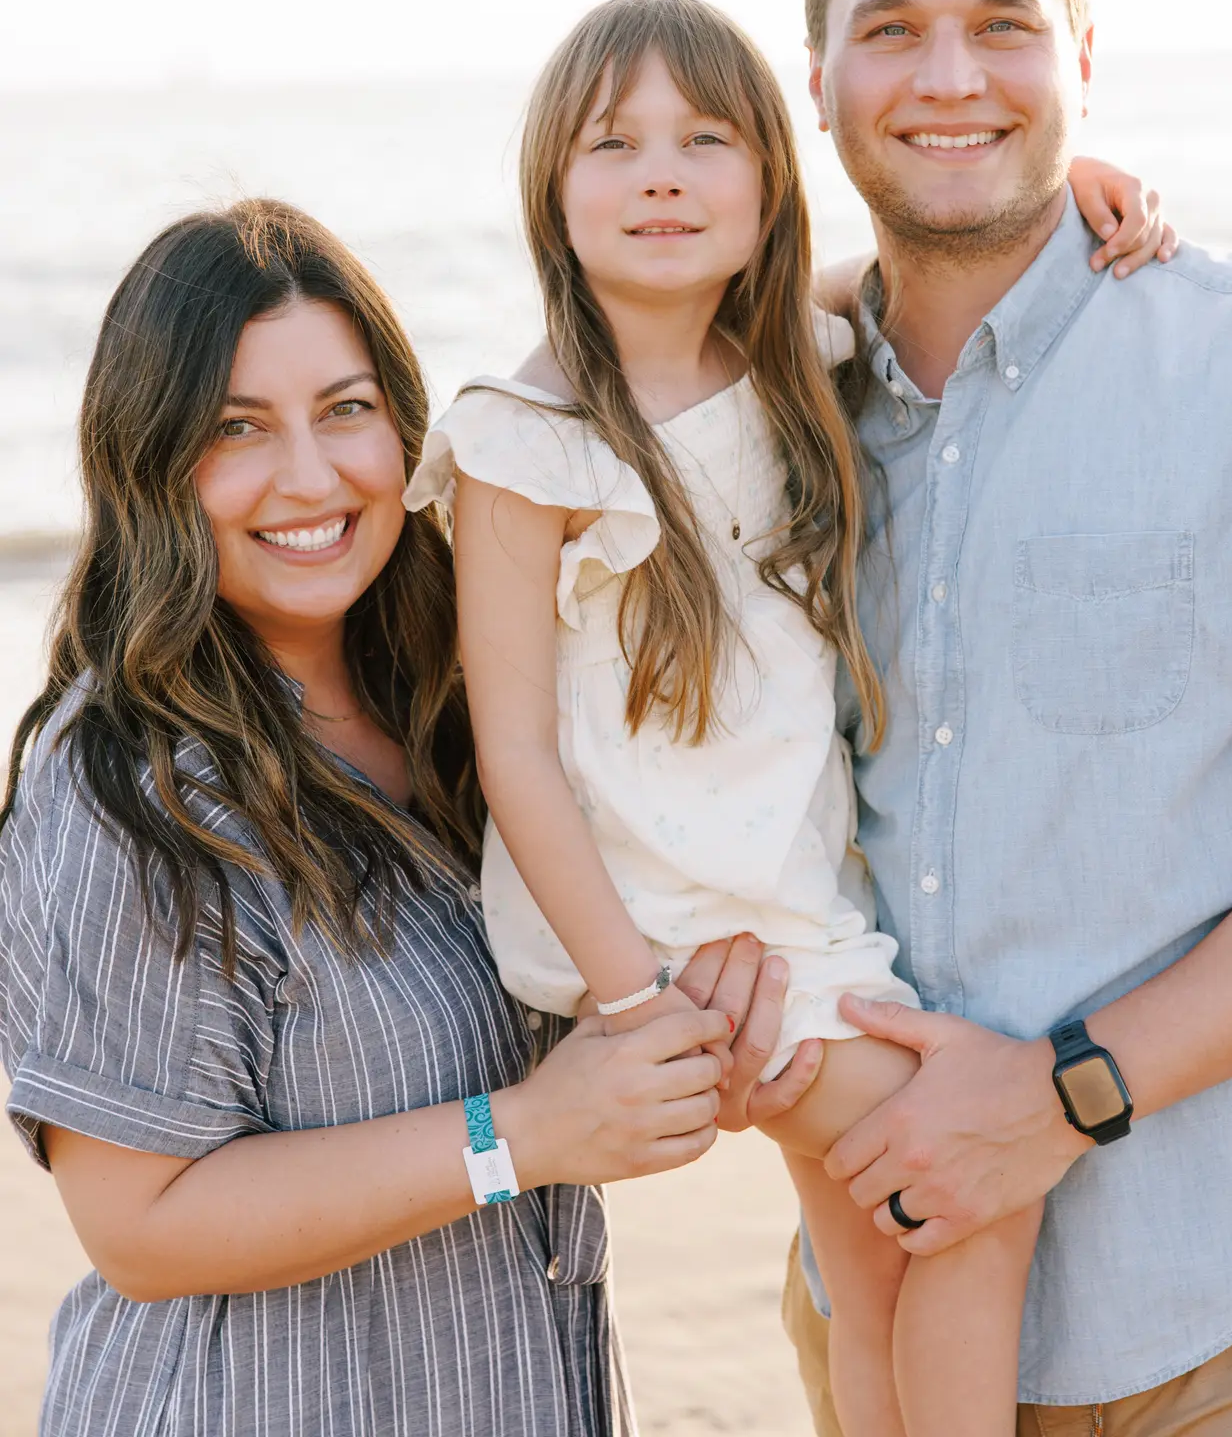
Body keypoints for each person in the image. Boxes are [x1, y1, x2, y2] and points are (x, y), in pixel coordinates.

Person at [407, 0, 1171, 1434]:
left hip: (796, 904)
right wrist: (634, 1001)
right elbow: (511, 748)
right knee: (968, 1199)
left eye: (706, 139)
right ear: (548, 190)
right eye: (610, 144)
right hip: (672, 934)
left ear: (769, 176)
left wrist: (1062, 195)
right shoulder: (527, 437)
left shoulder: (785, 367)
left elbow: (914, 273)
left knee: (875, 1263)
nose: (660, 174)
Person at [0, 198, 793, 1437]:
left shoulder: (471, 713)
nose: (311, 476)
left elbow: (702, 360)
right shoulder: (125, 780)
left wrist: (674, 1054)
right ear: (149, 461)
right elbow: (140, 1224)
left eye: (346, 409)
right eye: (236, 429)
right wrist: (520, 1133)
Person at [781, 0, 1232, 1435]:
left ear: (1079, 57)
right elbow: (552, 420)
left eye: (1000, 26)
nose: (947, 74)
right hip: (882, 1310)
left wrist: (1063, 1095)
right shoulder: (768, 428)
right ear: (811, 82)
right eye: (886, 31)